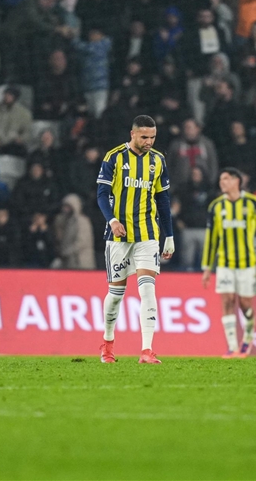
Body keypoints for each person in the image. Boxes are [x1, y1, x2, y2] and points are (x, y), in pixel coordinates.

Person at [96, 115, 174, 364]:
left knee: (148, 289)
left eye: (153, 137)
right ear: (132, 134)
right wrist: (112, 220)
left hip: (147, 234)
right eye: (144, 137)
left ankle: (147, 350)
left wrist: (169, 235)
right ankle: (108, 343)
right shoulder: (114, 157)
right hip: (118, 236)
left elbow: (163, 200)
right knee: (116, 294)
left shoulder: (158, 160)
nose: (149, 141)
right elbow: (101, 194)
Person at [201, 168, 256, 358]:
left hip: (247, 264)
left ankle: (248, 337)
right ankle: (232, 346)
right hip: (225, 263)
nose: (222, 182)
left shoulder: (253, 202)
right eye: (221, 179)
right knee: (227, 301)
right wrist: (207, 267)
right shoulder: (216, 206)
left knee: (245, 304)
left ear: (236, 181)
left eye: (226, 179)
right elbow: (211, 238)